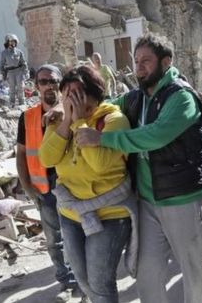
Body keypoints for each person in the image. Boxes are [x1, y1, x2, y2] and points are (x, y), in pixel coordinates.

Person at [76, 34, 202, 303]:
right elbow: (105, 108)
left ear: (166, 61)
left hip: (183, 200)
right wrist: (68, 109)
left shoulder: (181, 97)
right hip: (148, 202)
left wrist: (103, 139)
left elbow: (156, 135)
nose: (139, 68)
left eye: (146, 61)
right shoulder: (136, 98)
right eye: (136, 61)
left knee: (192, 274)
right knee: (147, 274)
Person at [39, 65, 135, 303]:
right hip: (71, 213)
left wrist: (80, 123)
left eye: (77, 92)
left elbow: (100, 165)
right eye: (67, 92)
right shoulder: (60, 120)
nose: (70, 98)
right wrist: (65, 124)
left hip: (109, 215)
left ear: (93, 93)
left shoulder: (113, 120)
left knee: (100, 282)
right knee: (82, 279)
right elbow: (47, 159)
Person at [16, 64, 78, 302]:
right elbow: (21, 154)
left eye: (53, 81)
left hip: (71, 183)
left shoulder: (73, 110)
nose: (49, 86)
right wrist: (28, 188)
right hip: (44, 187)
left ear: (60, 85)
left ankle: (80, 281)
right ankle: (66, 281)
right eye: (43, 82)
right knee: (54, 239)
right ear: (36, 86)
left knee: (76, 234)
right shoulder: (28, 117)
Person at [0, 33, 27, 106]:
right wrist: (2, 74)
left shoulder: (19, 52)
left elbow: (24, 63)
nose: (13, 43)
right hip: (10, 72)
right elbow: (2, 64)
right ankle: (12, 104)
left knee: (20, 88)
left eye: (14, 41)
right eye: (11, 41)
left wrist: (26, 73)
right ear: (7, 43)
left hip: (19, 72)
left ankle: (22, 104)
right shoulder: (4, 53)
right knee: (12, 89)